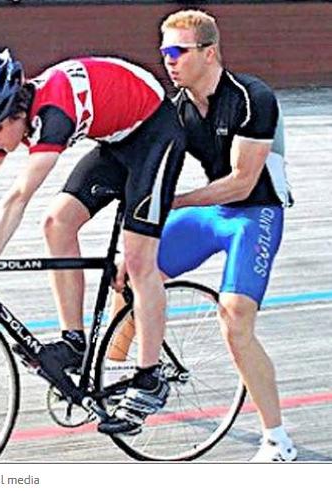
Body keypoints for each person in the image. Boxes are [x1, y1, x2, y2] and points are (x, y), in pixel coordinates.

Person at [0, 47, 186, 434]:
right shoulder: (12, 121)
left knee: (138, 261)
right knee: (57, 223)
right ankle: (75, 343)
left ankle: (149, 379)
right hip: (118, 141)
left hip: (157, 136)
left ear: (15, 111)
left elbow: (17, 196)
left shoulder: (54, 114)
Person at [111, 9, 296, 461]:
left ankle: (278, 439)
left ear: (209, 53)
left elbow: (241, 182)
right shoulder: (177, 109)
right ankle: (114, 374)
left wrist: (171, 204)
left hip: (255, 214)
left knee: (235, 321)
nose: (168, 61)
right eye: (163, 52)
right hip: (214, 211)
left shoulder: (253, 98)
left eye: (178, 51)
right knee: (132, 269)